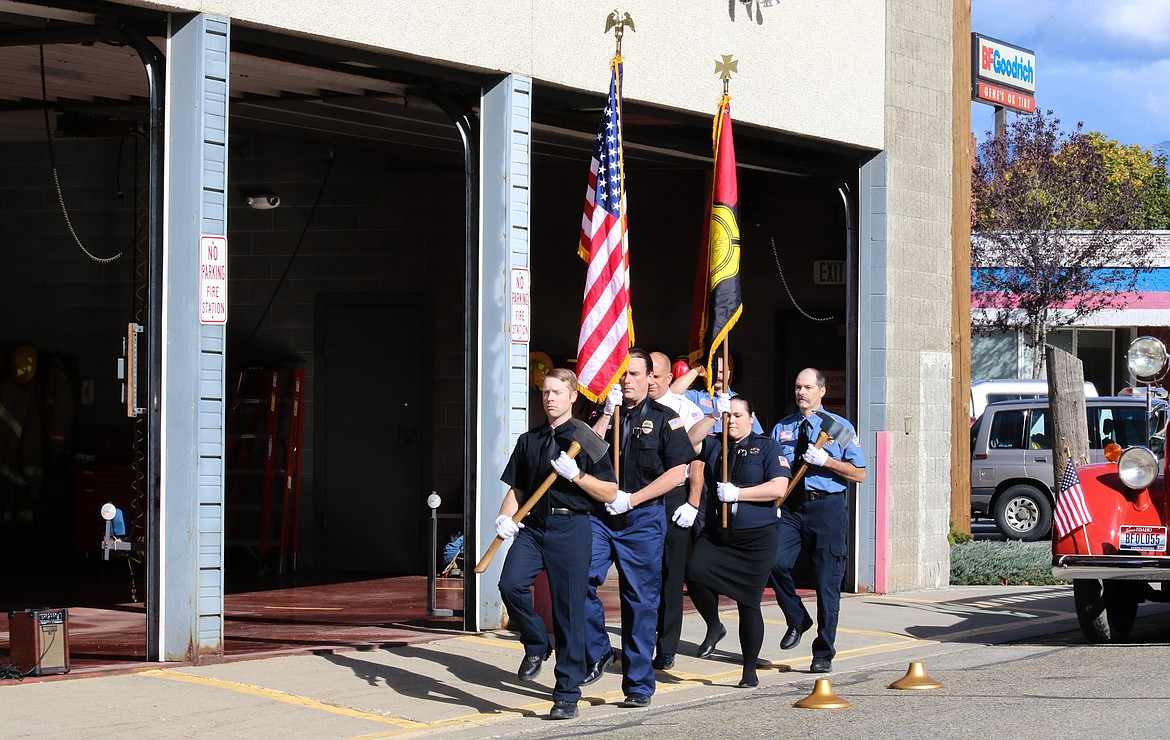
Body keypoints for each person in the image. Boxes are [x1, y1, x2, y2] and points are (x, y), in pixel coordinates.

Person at [495, 368, 618, 720]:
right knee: (511, 585)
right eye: (545, 392)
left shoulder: (587, 438)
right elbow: (518, 489)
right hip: (534, 528)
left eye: (557, 392)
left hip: (571, 527)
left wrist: (576, 475)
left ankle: (566, 693)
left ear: (572, 397)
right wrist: (505, 518)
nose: (549, 398)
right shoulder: (529, 440)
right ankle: (535, 641)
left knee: (568, 613)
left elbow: (610, 491)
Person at [582, 347, 695, 708]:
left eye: (634, 374)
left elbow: (679, 472)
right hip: (601, 516)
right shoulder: (605, 413)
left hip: (642, 518)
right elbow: (582, 452)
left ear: (650, 379)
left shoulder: (666, 419)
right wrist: (605, 417)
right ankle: (600, 650)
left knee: (640, 603)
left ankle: (638, 685)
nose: (627, 381)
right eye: (622, 375)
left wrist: (631, 499)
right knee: (578, 581)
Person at [686, 395, 790, 687]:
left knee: (748, 602)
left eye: (738, 415)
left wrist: (739, 494)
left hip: (756, 538)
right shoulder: (716, 443)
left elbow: (778, 487)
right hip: (720, 534)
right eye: (728, 415)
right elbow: (690, 442)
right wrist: (711, 416)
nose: (732, 421)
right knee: (694, 572)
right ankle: (714, 624)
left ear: (752, 418)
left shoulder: (768, 447)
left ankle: (748, 669)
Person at [768, 367, 866, 674]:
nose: (801, 392)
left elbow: (860, 474)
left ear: (821, 391)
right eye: (798, 387)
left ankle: (823, 651)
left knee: (827, 582)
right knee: (773, 561)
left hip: (826, 508)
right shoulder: (782, 427)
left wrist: (827, 461)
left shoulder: (839, 427)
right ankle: (797, 617)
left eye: (807, 387)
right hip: (792, 509)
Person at [646, 351, 715, 670]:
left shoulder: (684, 409)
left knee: (671, 576)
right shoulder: (628, 406)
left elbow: (696, 460)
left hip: (674, 497)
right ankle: (642, 640)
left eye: (656, 376)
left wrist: (693, 502)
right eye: (646, 374)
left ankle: (668, 644)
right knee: (642, 575)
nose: (649, 381)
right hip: (640, 498)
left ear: (668, 378)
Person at [670, 358, 763, 435]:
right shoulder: (697, 397)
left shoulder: (740, 402)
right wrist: (697, 370)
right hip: (704, 450)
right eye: (714, 371)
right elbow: (673, 393)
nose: (718, 376)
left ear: (729, 374)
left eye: (722, 372)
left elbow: (757, 435)